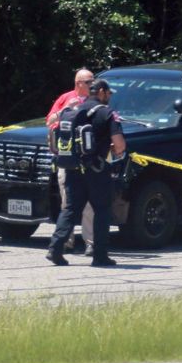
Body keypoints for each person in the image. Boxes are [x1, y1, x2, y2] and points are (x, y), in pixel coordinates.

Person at [46, 79, 125, 267]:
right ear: (102, 92)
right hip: (98, 170)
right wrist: (115, 149)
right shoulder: (107, 113)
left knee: (70, 209)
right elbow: (120, 145)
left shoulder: (74, 111)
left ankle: (55, 249)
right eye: (109, 93)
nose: (110, 97)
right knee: (102, 210)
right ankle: (100, 256)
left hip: (73, 168)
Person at [46, 68, 96, 255]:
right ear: (78, 84)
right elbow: (49, 122)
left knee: (89, 204)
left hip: (88, 159)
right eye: (89, 81)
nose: (92, 84)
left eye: (93, 81)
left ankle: (90, 242)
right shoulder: (65, 98)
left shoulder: (95, 100)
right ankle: (66, 241)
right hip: (67, 159)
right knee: (67, 203)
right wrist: (65, 111)